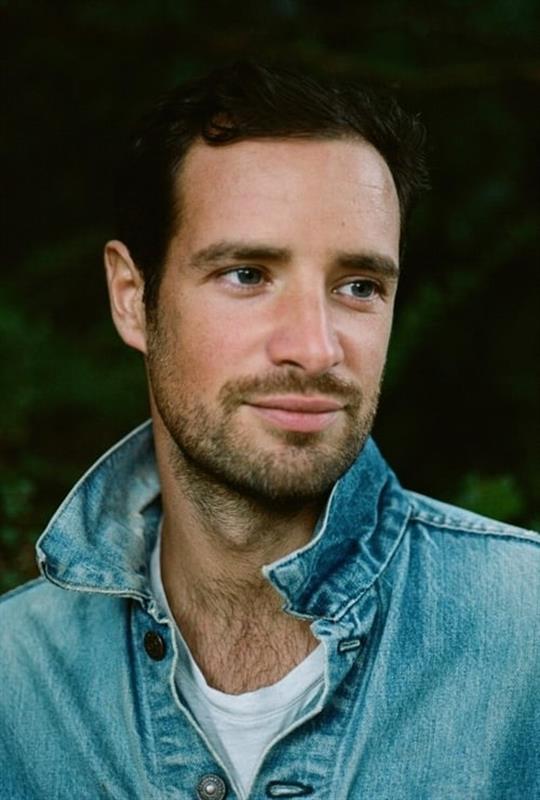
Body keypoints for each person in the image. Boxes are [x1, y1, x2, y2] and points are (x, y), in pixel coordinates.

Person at [1, 62, 538, 800]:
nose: (314, 349)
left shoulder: (526, 636)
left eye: (359, 286)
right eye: (248, 274)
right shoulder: (16, 684)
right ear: (131, 299)